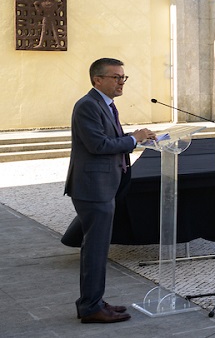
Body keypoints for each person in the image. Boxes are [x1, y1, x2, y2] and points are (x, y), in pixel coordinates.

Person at [62, 58, 155, 323]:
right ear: (97, 80)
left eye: (123, 77)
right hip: (93, 188)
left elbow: (109, 141)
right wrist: (134, 139)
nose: (121, 82)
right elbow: (99, 145)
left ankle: (93, 301)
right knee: (95, 248)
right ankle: (91, 308)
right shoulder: (87, 106)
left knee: (98, 248)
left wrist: (137, 138)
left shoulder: (105, 105)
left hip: (104, 185)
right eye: (116, 77)